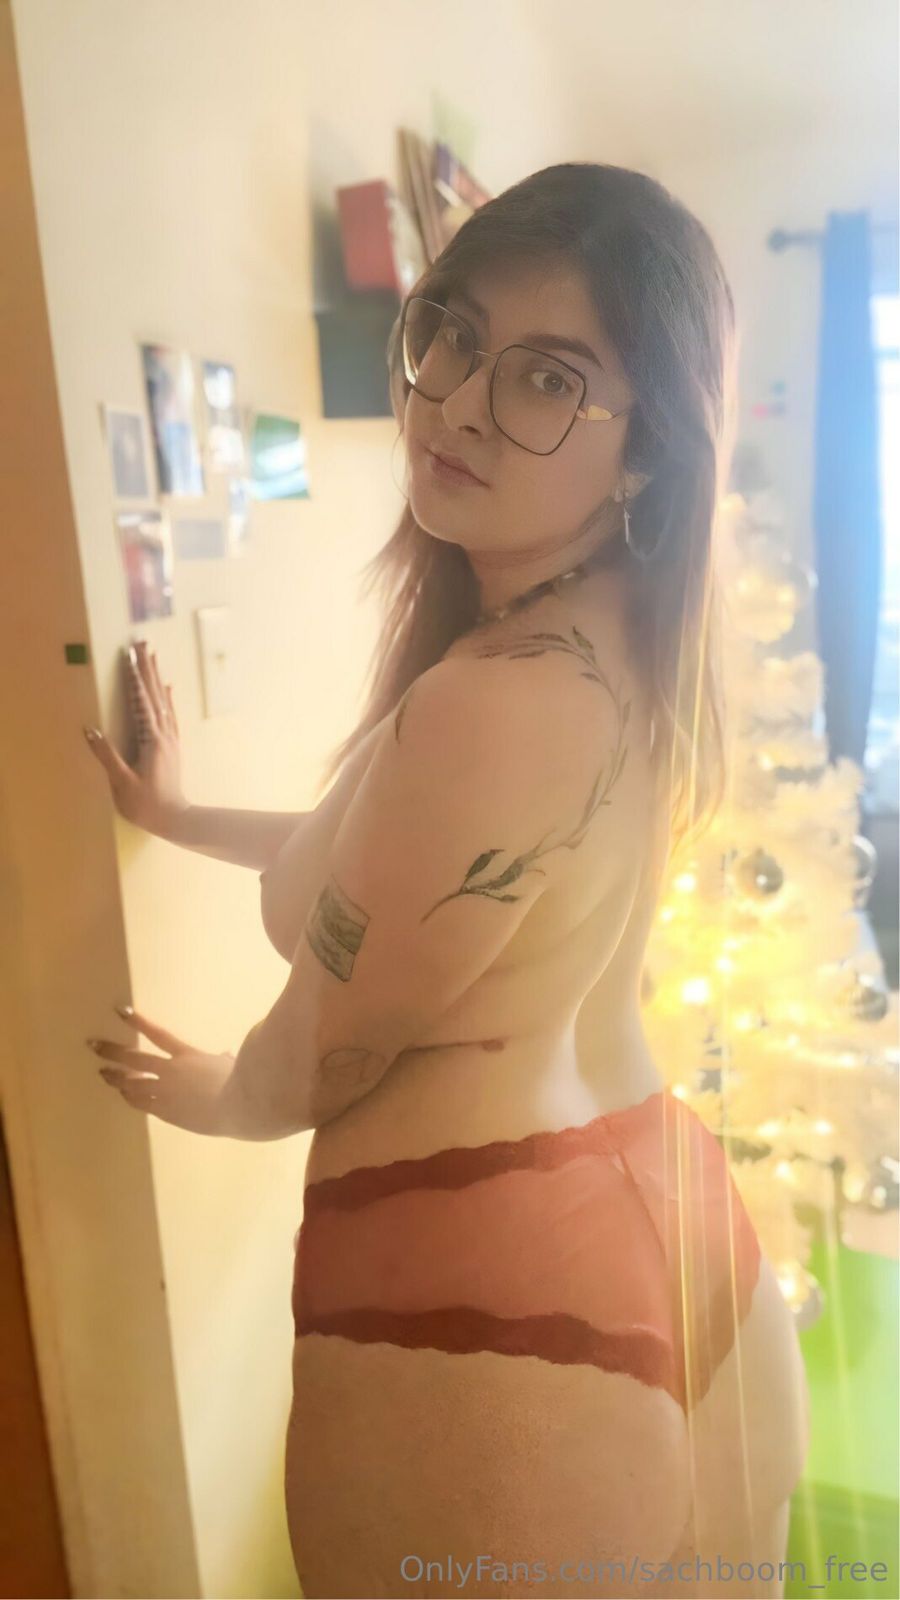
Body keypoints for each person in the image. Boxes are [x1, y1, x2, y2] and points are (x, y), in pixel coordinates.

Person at [84, 162, 810, 1599]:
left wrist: (217, 1094)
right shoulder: (615, 645)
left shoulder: (498, 701)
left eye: (548, 378)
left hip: (488, 1295)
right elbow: (390, 860)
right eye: (456, 336)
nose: (464, 404)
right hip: (662, 1220)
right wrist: (177, 816)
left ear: (648, 449)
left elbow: (328, 1044)